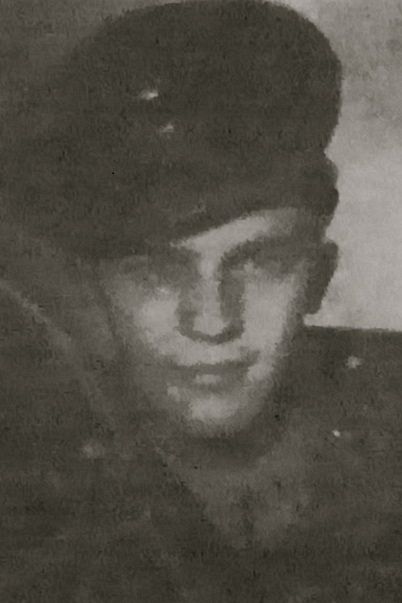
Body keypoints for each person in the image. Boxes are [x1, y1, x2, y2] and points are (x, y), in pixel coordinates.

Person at [0, 1, 401, 600]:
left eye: (259, 264)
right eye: (158, 274)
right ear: (96, 290)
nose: (213, 320)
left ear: (319, 277)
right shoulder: (34, 478)